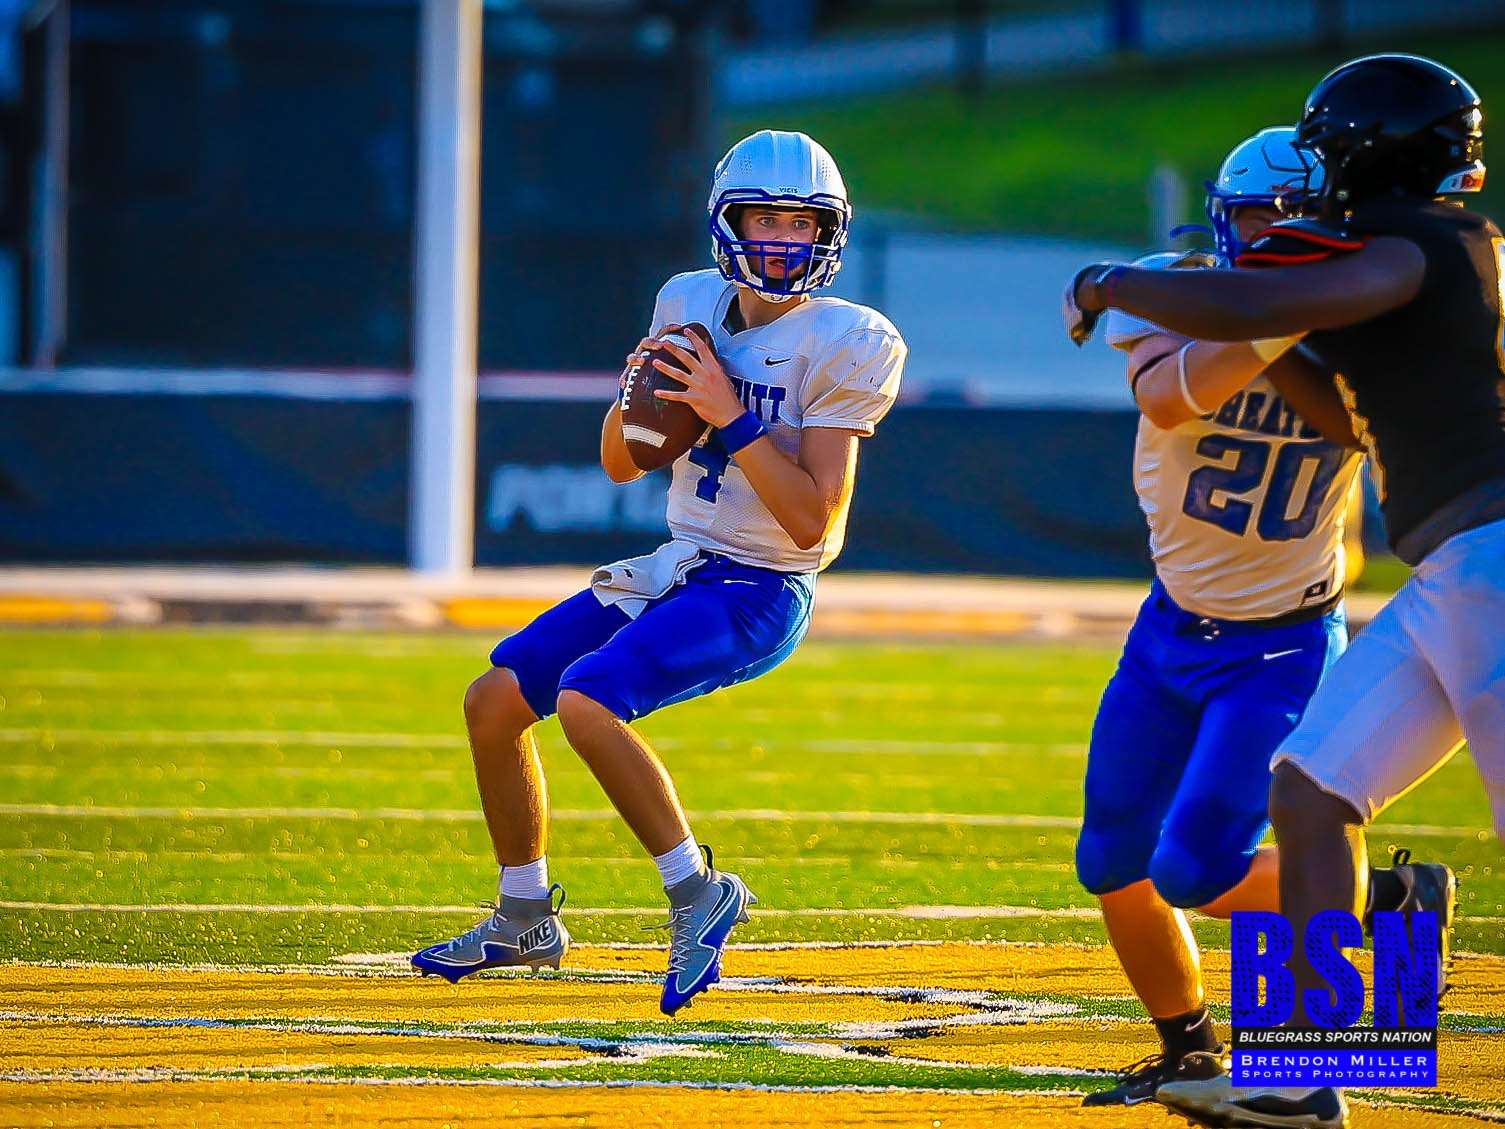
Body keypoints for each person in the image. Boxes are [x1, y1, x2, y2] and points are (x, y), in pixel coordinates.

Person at [1064, 54, 1501, 1129]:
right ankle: (1297, 1073)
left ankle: (1376, 959)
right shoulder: (1359, 273)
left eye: (1308, 190)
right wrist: (1256, 313)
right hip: (1417, 577)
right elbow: (1203, 386)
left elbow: (1286, 305)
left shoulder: (1414, 253)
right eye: (1257, 216)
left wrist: (1113, 282)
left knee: (1200, 858)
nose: (1283, 225)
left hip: (1394, 593)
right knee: (1306, 794)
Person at [411, 129, 907, 1017]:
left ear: (828, 231)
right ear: (726, 222)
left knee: (586, 699)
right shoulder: (687, 300)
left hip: (760, 584)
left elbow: (813, 523)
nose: (782, 240)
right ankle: (523, 914)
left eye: (800, 223)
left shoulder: (849, 337)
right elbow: (620, 462)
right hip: (680, 561)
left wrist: (730, 415)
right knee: (493, 701)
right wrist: (638, 396)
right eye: (764, 219)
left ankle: (696, 889)